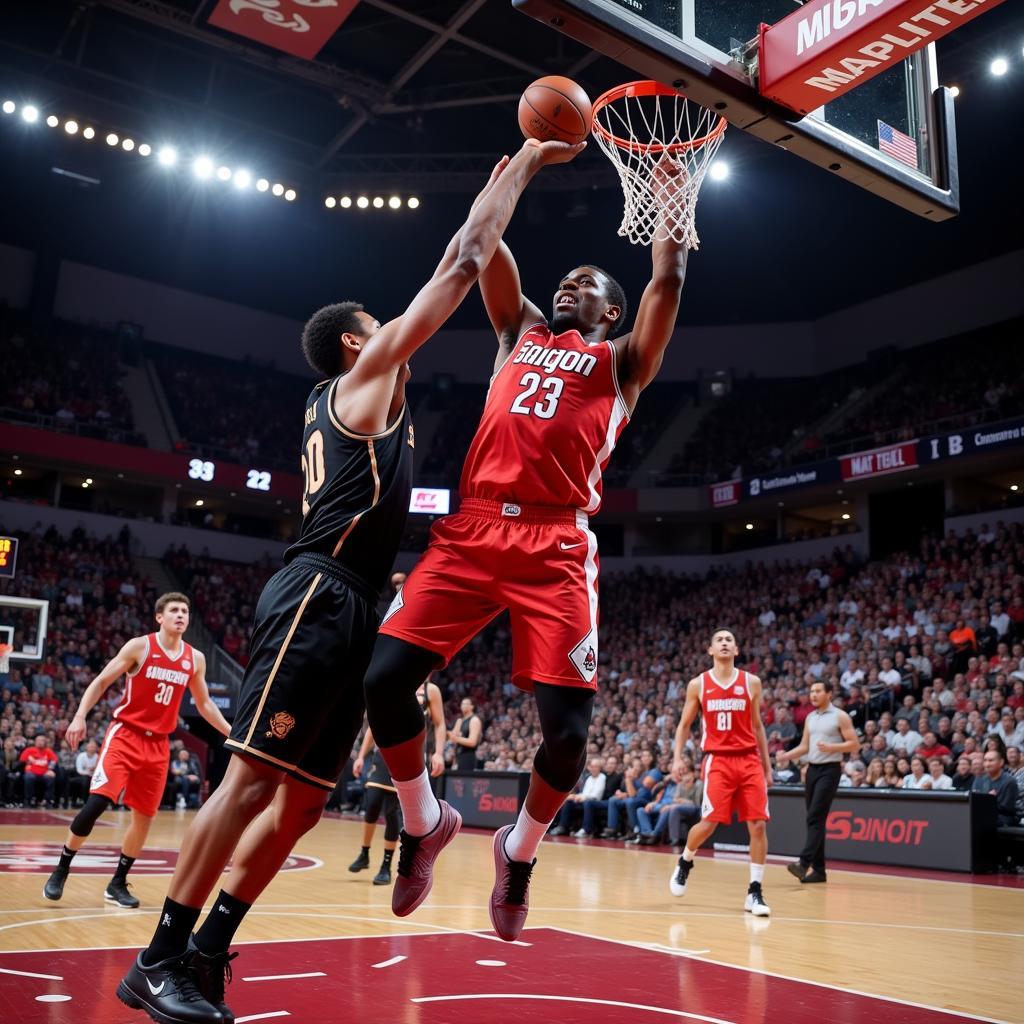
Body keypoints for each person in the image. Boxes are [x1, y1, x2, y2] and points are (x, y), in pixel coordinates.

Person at [117, 138, 581, 1024]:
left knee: (297, 805)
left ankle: (208, 954)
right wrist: (517, 165)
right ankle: (157, 957)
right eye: (378, 319)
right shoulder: (363, 378)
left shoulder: (368, 396)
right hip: (317, 594)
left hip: (359, 599)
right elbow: (464, 261)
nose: (393, 326)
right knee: (248, 783)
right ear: (353, 342)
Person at [361, 155, 691, 943]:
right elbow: (481, 242)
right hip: (473, 530)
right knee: (381, 682)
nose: (571, 286)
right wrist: (526, 162)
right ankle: (424, 822)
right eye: (566, 279)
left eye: (588, 284)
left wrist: (674, 197)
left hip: (556, 542)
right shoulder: (518, 332)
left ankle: (520, 850)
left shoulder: (622, 362)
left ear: (612, 313)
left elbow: (669, 280)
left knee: (568, 736)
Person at [44, 593, 228, 908]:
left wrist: (232, 732)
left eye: (185, 611)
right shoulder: (139, 647)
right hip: (125, 736)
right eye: (174, 610)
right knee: (97, 803)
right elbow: (102, 681)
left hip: (158, 746)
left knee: (143, 820)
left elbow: (204, 703)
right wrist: (79, 716)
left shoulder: (194, 658)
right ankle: (62, 867)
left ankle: (117, 883)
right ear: (159, 617)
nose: (181, 615)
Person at [669, 628, 773, 916]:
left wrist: (767, 765)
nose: (725, 643)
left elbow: (758, 727)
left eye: (730, 640)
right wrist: (677, 758)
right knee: (709, 824)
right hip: (718, 760)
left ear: (736, 650)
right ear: (710, 650)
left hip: (749, 760)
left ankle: (755, 891)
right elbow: (684, 725)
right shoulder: (698, 684)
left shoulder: (751, 682)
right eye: (719, 640)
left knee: (758, 825)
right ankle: (686, 860)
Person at [777, 679, 859, 883]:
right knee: (815, 820)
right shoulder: (810, 717)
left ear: (829, 694)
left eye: (818, 691)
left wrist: (833, 748)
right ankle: (820, 871)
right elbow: (805, 746)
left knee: (814, 816)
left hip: (830, 770)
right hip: (812, 770)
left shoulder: (840, 716)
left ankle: (804, 863)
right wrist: (785, 756)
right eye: (811, 691)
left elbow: (854, 744)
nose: (813, 694)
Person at [20, 732, 57, 807]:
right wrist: (27, 764)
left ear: (45, 742)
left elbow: (54, 761)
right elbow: (22, 760)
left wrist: (50, 769)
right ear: (35, 742)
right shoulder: (29, 750)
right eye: (38, 740)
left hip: (44, 773)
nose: (40, 742)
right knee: (29, 777)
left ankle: (47, 800)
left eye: (42, 740)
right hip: (31, 772)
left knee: (50, 777)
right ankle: (29, 799)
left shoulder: (48, 751)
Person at [449, 697, 483, 771]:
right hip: (458, 755)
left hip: (468, 756)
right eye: (462, 703)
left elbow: (472, 742)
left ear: (472, 706)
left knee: (464, 781)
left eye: (465, 703)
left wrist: (457, 738)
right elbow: (452, 739)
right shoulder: (460, 720)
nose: (463, 705)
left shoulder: (474, 720)